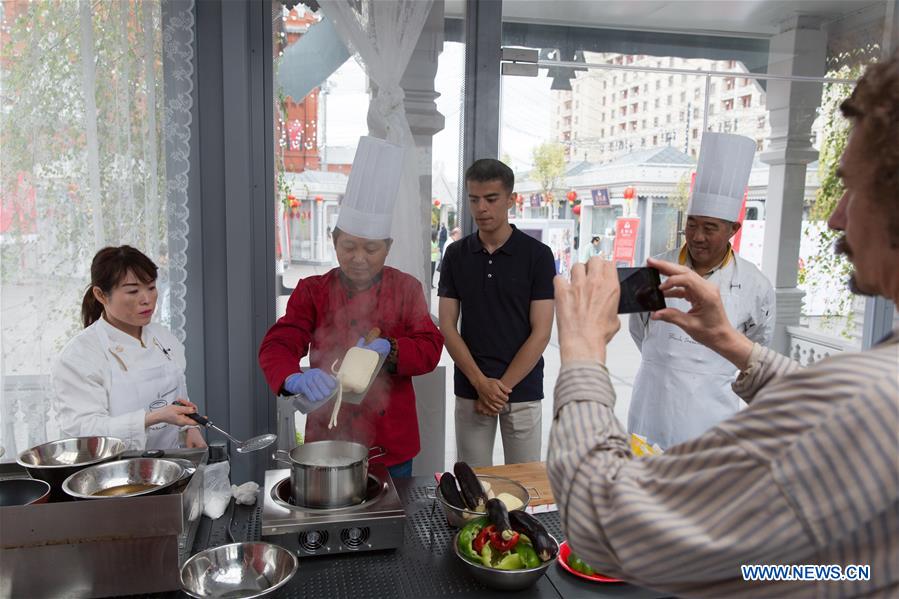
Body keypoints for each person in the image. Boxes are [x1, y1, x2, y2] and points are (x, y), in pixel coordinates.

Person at [548, 54, 899, 598]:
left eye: (853, 189)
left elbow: (605, 522)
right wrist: (735, 346)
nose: (835, 216)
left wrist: (582, 352)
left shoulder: (872, 398)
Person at [259, 137, 444, 478]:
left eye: (371, 249)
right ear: (334, 242)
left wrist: (391, 350)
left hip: (391, 444)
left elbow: (430, 347)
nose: (359, 258)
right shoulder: (313, 291)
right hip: (328, 440)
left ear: (387, 247)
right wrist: (293, 377)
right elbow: (278, 344)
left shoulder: (406, 288)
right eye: (349, 247)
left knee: (392, 512)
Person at [628, 132, 775, 449]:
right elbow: (638, 329)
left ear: (733, 229)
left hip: (713, 415)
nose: (697, 236)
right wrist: (664, 361)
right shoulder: (654, 268)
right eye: (692, 224)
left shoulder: (756, 285)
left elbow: (756, 348)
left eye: (710, 228)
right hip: (651, 403)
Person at [438, 159, 555, 467]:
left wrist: (499, 390)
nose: (482, 208)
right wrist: (480, 383)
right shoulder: (456, 254)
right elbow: (447, 326)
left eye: (491, 199)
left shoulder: (537, 255)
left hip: (523, 388)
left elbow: (542, 332)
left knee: (526, 480)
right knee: (473, 481)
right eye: (474, 199)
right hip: (471, 387)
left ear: (510, 199)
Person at [52, 246, 206, 451]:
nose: (147, 299)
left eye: (151, 287)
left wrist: (189, 428)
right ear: (101, 295)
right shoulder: (79, 356)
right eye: (133, 291)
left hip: (168, 462)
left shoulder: (163, 337)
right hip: (113, 466)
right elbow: (85, 430)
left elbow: (177, 393)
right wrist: (152, 418)